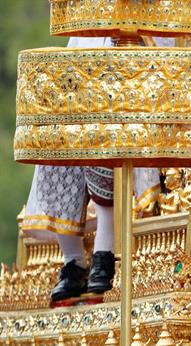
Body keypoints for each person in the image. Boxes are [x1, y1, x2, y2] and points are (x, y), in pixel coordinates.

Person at [20, 37, 161, 307]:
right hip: (86, 53)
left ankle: (103, 254)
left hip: (132, 57)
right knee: (57, 136)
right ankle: (73, 260)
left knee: (103, 136)